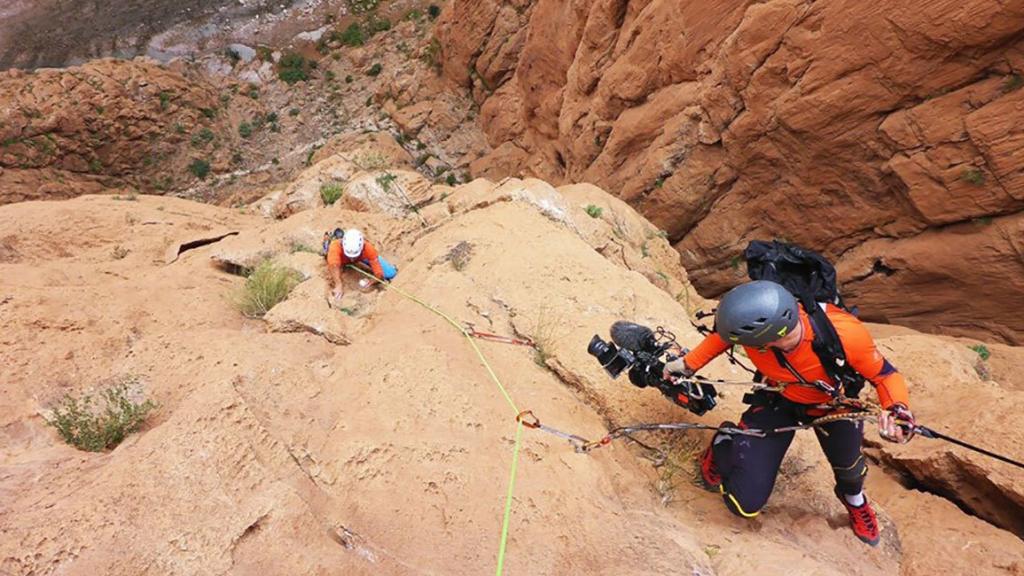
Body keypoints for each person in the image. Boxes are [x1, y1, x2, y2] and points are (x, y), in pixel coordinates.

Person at [662, 280, 915, 546]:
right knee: (744, 503)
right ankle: (724, 440)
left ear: (771, 335)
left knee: (850, 470)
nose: (745, 345)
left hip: (835, 405)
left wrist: (897, 410)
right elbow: (723, 337)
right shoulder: (759, 331)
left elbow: (886, 376)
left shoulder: (843, 332)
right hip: (778, 401)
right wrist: (687, 365)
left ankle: (855, 501)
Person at [325, 228, 397, 301]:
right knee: (328, 254)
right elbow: (333, 266)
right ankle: (331, 240)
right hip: (342, 257)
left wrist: (370, 281)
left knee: (390, 273)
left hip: (362, 257)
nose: (352, 259)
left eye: (354, 256)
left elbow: (379, 274)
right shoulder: (335, 248)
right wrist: (338, 284)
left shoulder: (368, 248)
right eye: (350, 256)